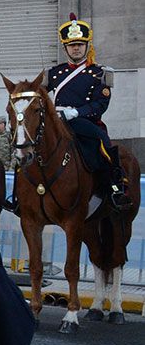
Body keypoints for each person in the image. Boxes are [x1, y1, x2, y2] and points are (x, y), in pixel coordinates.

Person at [46, 13, 129, 210]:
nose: (76, 48)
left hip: (83, 122)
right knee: (28, 147)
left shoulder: (101, 73)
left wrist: (76, 112)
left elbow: (101, 104)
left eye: (80, 44)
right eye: (72, 44)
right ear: (65, 47)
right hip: (56, 121)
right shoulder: (54, 73)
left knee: (103, 141)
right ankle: (20, 197)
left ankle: (117, 186)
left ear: (87, 46)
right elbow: (38, 94)